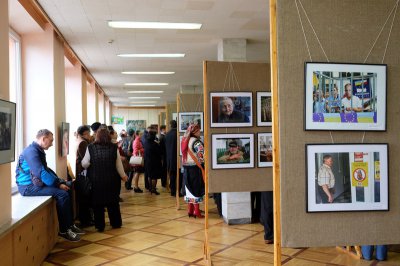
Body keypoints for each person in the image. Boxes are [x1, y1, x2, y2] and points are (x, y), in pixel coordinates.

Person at [15, 129, 83, 241]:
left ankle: (70, 225)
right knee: (62, 194)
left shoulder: (37, 150)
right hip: (27, 187)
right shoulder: (31, 152)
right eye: (51, 141)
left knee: (69, 187)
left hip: (35, 184)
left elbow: (46, 170)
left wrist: (60, 181)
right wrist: (58, 185)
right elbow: (40, 172)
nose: (52, 144)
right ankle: (64, 230)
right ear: (43, 139)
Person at [81, 127, 128, 232]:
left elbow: (84, 163)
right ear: (108, 136)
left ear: (97, 136)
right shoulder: (113, 147)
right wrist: (124, 176)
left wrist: (92, 163)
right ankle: (116, 223)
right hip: (112, 180)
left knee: (97, 203)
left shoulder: (91, 147)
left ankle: (100, 225)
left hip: (95, 180)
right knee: (113, 202)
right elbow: (118, 165)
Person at [181, 123, 205, 218]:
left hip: (186, 168)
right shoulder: (196, 142)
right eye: (198, 130)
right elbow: (202, 156)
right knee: (195, 189)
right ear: (195, 131)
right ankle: (196, 212)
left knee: (189, 189)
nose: (200, 132)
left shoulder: (185, 140)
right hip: (195, 169)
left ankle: (190, 210)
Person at [75, 125, 93, 227]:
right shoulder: (83, 143)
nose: (89, 135)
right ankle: (86, 220)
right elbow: (86, 159)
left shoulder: (79, 141)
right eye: (87, 133)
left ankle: (86, 219)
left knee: (84, 198)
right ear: (82, 134)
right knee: (85, 198)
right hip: (83, 173)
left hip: (81, 173)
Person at [165, 120, 181, 196]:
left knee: (172, 175)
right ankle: (178, 191)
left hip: (169, 159)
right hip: (177, 158)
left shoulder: (167, 135)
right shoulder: (178, 134)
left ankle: (173, 191)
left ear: (170, 125)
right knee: (179, 176)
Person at [144, 130, 162, 195]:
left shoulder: (146, 142)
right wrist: (159, 144)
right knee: (154, 177)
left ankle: (150, 188)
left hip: (147, 161)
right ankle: (154, 189)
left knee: (149, 175)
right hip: (155, 162)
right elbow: (159, 152)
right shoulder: (155, 144)